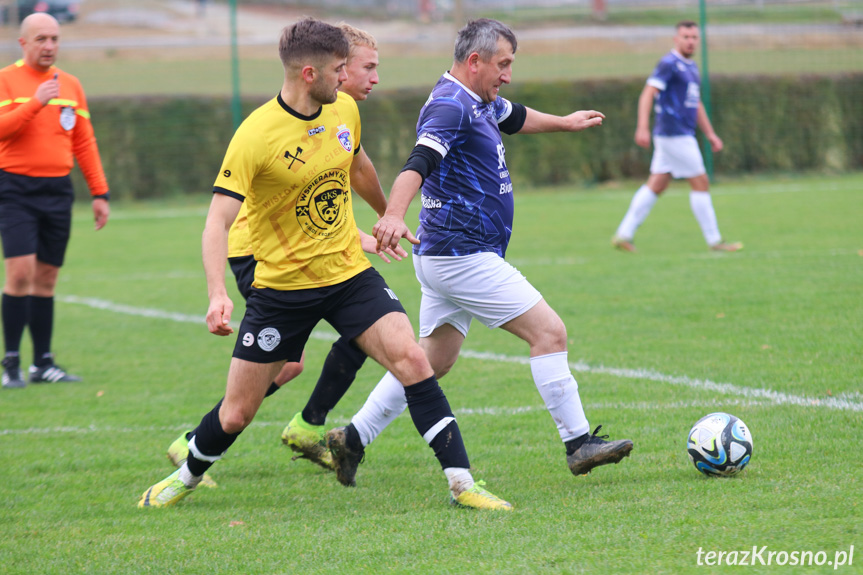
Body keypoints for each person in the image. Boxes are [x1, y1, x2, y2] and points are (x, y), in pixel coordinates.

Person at [138, 18, 510, 511]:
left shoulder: (345, 111)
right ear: (309, 73)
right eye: (340, 69)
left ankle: (463, 484)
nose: (349, 78)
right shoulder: (256, 135)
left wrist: (387, 216)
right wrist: (217, 293)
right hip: (282, 288)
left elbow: (358, 166)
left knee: (414, 361)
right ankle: (184, 476)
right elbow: (216, 223)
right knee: (236, 413)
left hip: (347, 274)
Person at [322, 18, 633, 491]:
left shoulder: (478, 99)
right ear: (474, 62)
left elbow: (516, 116)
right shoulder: (451, 106)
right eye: (503, 64)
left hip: (451, 254)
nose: (507, 74)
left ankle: (354, 437)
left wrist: (565, 123)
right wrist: (393, 215)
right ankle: (578, 443)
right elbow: (417, 163)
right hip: (462, 255)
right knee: (549, 332)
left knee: (430, 361)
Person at [163, 23, 398, 482]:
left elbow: (350, 173)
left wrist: (388, 217)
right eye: (361, 67)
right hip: (260, 253)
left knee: (342, 336)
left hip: (313, 252)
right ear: (327, 72)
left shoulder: (339, 115)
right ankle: (203, 440)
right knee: (297, 356)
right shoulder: (278, 125)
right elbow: (295, 206)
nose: (369, 76)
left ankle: (301, 423)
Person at [0, 13, 110, 390]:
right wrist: (34, 103)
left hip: (57, 190)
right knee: (19, 273)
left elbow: (83, 141)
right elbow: (2, 130)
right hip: (14, 189)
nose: (49, 46)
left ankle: (43, 363)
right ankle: (11, 361)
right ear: (23, 43)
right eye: (41, 39)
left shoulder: (71, 86)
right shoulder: (5, 80)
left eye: (55, 39)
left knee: (46, 279)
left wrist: (99, 192)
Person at [611, 20, 741, 253]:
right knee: (701, 182)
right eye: (685, 37)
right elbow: (648, 93)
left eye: (694, 37)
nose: (690, 41)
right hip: (674, 134)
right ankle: (715, 242)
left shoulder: (691, 67)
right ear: (676, 39)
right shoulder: (669, 63)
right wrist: (642, 127)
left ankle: (624, 235)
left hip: (678, 134)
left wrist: (710, 134)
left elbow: (696, 103)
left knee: (657, 184)